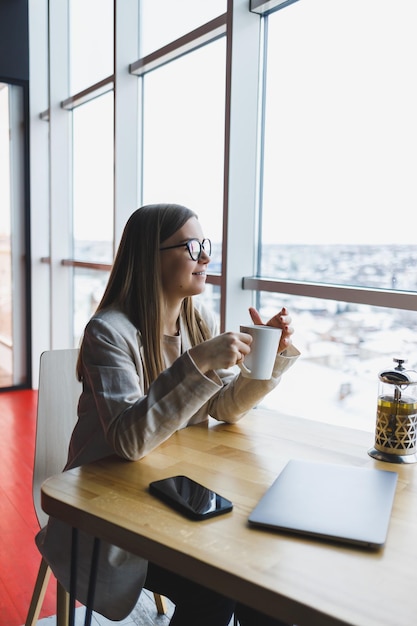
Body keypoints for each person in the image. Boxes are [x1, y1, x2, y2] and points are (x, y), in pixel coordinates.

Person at [37, 203, 300, 626]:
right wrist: (197, 362)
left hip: (172, 493)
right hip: (109, 508)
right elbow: (128, 440)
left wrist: (271, 355)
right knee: (217, 587)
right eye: (191, 246)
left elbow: (222, 408)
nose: (205, 257)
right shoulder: (108, 332)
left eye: (204, 245)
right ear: (150, 255)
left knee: (260, 573)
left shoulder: (196, 322)